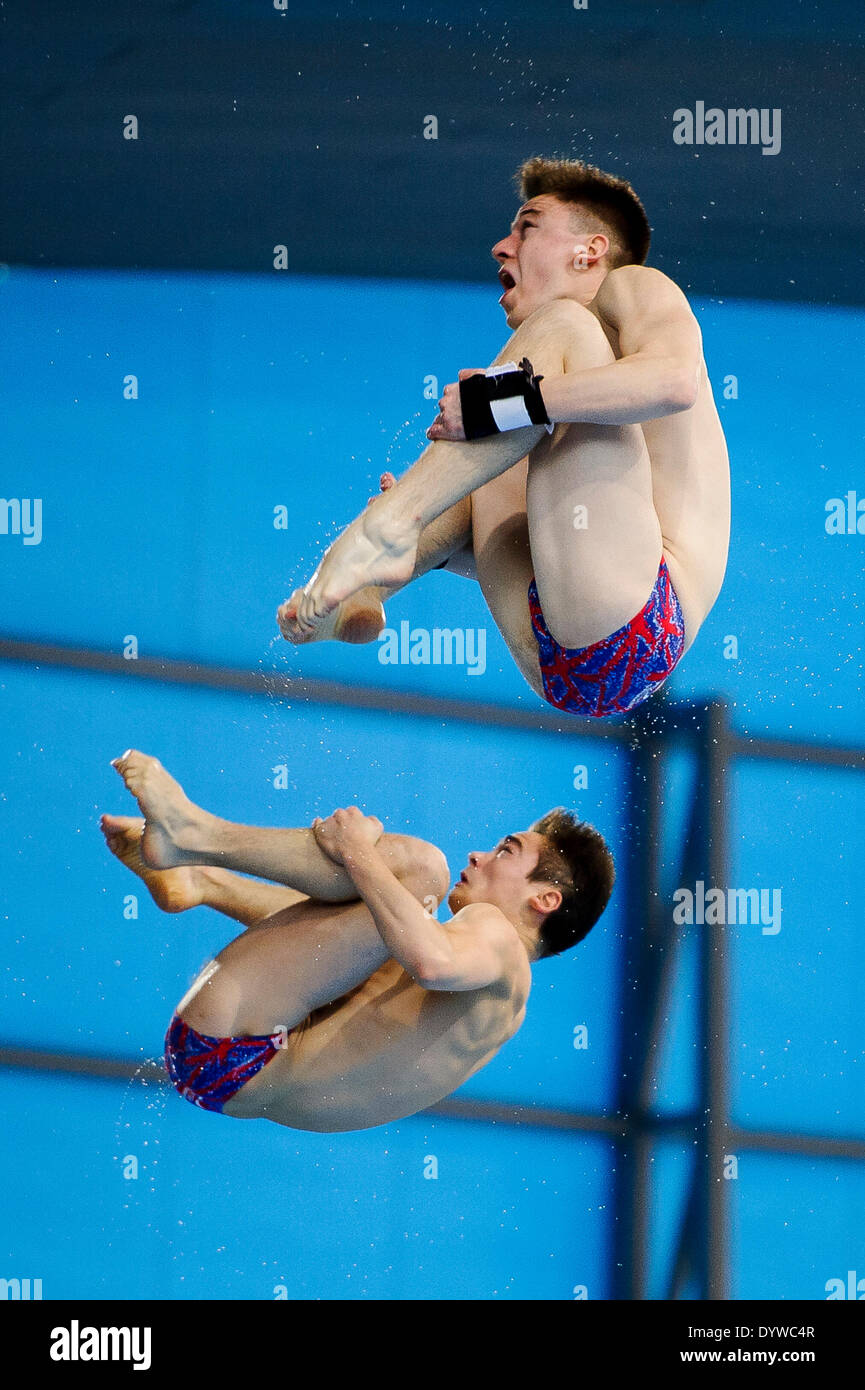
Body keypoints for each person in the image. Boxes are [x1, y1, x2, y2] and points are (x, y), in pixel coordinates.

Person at [277, 156, 730, 718]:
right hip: (564, 656)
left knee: (542, 355)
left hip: (644, 612)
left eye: (528, 225)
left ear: (588, 250)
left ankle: (393, 527)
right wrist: (452, 533)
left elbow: (674, 381)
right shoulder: (564, 405)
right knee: (495, 446)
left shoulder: (635, 287)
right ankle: (376, 583)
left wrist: (499, 405)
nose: (501, 245)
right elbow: (556, 538)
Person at [101, 749, 614, 1132]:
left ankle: (193, 834)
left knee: (421, 869)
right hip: (233, 1078)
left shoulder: (498, 941)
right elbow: (326, 951)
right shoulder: (494, 1002)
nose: (479, 855)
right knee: (394, 912)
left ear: (545, 900)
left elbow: (431, 961)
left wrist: (354, 850)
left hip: (237, 1043)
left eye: (507, 850)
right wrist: (213, 887)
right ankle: (201, 878)